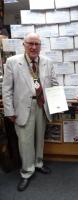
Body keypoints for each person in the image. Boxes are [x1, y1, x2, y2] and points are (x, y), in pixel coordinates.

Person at [2, 32, 58, 191]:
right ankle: (27, 171)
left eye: (37, 44)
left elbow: (54, 84)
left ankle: (39, 163)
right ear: (24, 45)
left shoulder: (47, 61)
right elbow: (7, 90)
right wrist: (9, 111)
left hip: (42, 105)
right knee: (25, 142)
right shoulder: (12, 62)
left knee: (40, 138)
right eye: (30, 43)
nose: (34, 47)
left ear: (40, 45)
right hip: (22, 109)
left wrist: (57, 103)